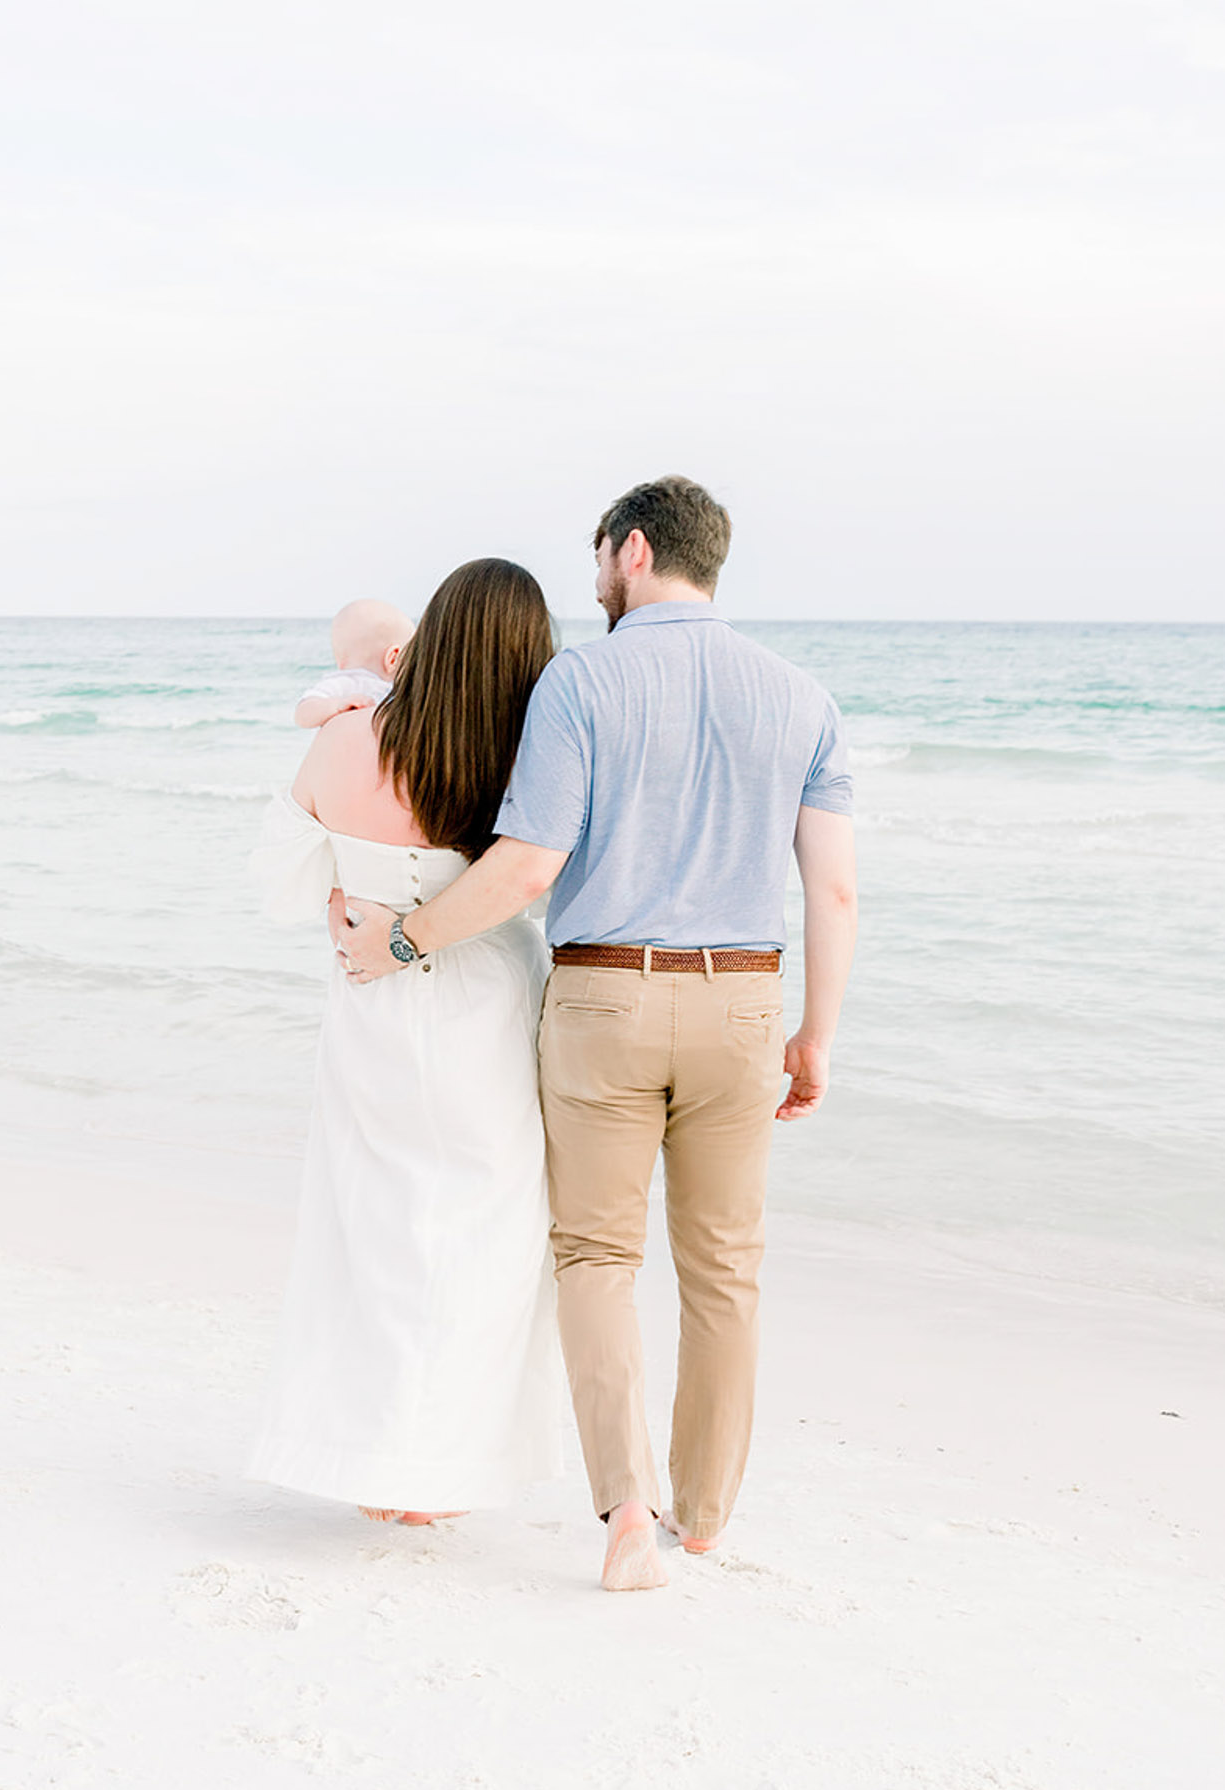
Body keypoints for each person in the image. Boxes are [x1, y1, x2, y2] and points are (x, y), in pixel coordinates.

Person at [341, 477, 857, 1590]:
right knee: (723, 1269)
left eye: (597, 561)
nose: (593, 583)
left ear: (631, 551)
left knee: (595, 1259)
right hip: (742, 1002)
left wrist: (405, 941)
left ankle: (628, 1513)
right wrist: (814, 1032)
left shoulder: (581, 680)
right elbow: (835, 894)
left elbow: (528, 864)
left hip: (603, 999)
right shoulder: (800, 697)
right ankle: (707, 1514)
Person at [247, 561, 562, 1522]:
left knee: (376, 1226)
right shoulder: (523, 753)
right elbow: (542, 883)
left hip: (371, 995)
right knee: (490, 1232)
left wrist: (352, 900)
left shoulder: (345, 739)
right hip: (487, 998)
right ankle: (446, 1471)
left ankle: (378, 1464)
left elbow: (277, 880)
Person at [292, 597, 414, 728]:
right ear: (393, 659)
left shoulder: (395, 690)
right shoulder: (345, 684)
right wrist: (336, 706)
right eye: (412, 658)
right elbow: (302, 714)